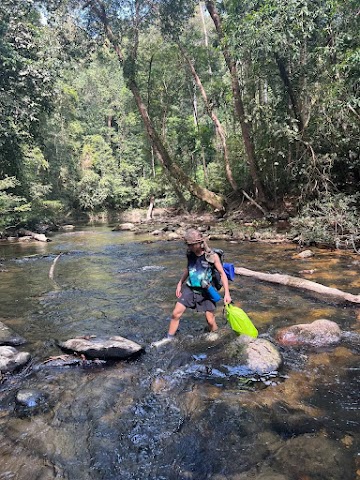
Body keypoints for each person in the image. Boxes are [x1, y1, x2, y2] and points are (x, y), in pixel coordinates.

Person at [166, 228, 232, 340]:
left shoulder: (211, 256)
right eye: (188, 245)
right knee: (176, 313)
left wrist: (227, 294)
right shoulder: (189, 254)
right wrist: (180, 283)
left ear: (199, 242)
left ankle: (217, 335)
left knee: (210, 320)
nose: (189, 247)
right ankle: (169, 338)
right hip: (190, 288)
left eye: (191, 245)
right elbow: (188, 268)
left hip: (206, 290)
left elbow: (222, 274)